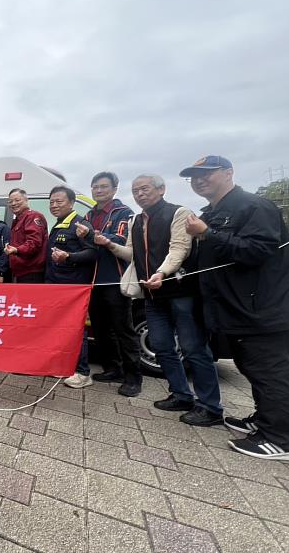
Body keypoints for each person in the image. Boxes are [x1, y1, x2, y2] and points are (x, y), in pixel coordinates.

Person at [182, 155, 289, 460]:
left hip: (262, 310)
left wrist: (208, 233)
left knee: (271, 372)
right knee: (252, 368)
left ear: (228, 173)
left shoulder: (254, 206)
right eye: (194, 176)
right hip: (235, 310)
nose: (199, 180)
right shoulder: (214, 212)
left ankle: (281, 440)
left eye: (207, 173)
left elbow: (259, 251)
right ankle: (265, 421)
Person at [106, 174, 223, 427]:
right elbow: (132, 253)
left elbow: (180, 248)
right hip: (152, 294)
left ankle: (210, 407)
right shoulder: (136, 220)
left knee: (193, 348)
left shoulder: (179, 213)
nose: (139, 194)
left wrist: (161, 273)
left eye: (144, 189)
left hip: (181, 292)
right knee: (162, 346)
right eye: (135, 190)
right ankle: (181, 395)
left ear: (161, 189)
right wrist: (109, 245)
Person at [77, 171, 143, 396]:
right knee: (101, 329)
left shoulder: (123, 213)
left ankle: (134, 378)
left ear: (114, 189)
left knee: (123, 329)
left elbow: (122, 240)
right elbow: (85, 241)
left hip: (114, 279)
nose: (98, 190)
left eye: (103, 186)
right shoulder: (88, 213)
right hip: (93, 281)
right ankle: (113, 368)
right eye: (95, 186)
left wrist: (96, 235)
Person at [43, 186, 98, 388]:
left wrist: (69, 257)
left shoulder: (80, 225)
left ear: (72, 203)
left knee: (76, 329)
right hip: (56, 285)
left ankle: (83, 373)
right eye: (52, 202)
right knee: (60, 328)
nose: (54, 205)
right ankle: (65, 366)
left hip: (72, 287)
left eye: (59, 201)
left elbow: (93, 253)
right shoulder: (59, 224)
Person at [3, 188, 47, 282]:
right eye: (10, 201)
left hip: (31, 272)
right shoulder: (17, 220)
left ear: (26, 200)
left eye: (17, 200)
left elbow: (34, 243)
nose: (13, 203)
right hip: (20, 272)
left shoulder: (32, 216)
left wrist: (16, 250)